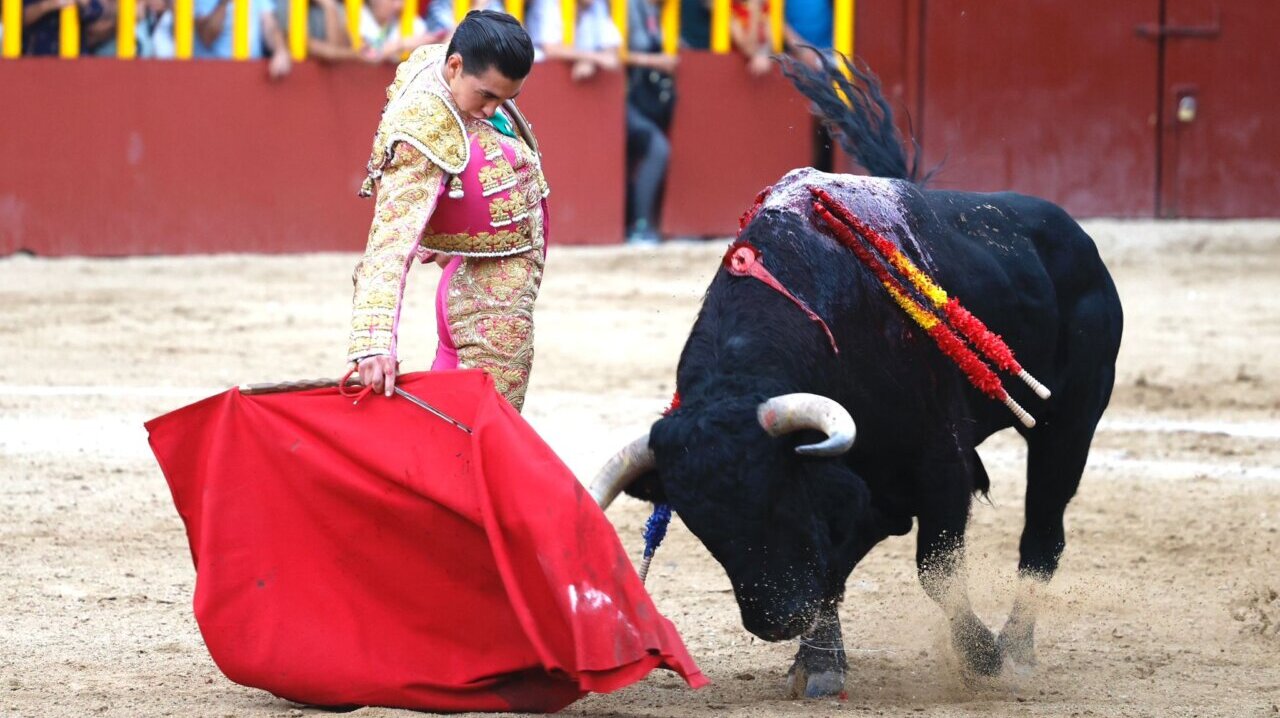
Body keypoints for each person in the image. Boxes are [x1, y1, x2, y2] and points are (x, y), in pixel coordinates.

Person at [348, 9, 549, 412]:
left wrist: (448, 233)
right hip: (486, 299)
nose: (492, 110)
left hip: (471, 277)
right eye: (486, 95)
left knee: (451, 421)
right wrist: (373, 344)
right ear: (455, 66)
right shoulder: (424, 127)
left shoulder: (442, 63)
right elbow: (389, 242)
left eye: (506, 99)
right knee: (485, 426)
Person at [623, 0, 676, 244]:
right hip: (626, 99)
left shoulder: (663, 10)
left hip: (650, 102)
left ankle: (642, 223)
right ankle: (640, 224)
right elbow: (620, 53)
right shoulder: (629, 7)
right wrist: (655, 61)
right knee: (657, 149)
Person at [193, 0, 292, 78]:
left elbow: (270, 26)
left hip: (251, 74)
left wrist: (280, 50)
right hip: (213, 75)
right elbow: (207, 36)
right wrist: (224, 3)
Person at [21, 0, 112, 55]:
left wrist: (83, 3)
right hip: (37, 57)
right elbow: (18, 19)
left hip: (76, 58)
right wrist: (48, 5)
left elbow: (98, 13)